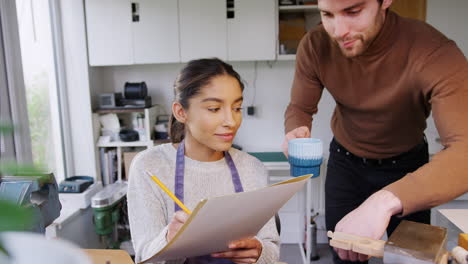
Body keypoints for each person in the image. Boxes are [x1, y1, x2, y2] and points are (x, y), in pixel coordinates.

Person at [282, 0, 468, 263]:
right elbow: (300, 107)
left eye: (353, 11)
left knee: (413, 257)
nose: (338, 30)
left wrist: (384, 201)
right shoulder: (315, 45)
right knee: (345, 256)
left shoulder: (434, 51)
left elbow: (465, 150)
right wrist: (295, 130)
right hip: (345, 165)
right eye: (327, 14)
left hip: (408, 167)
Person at [128, 58, 279, 264]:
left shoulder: (253, 168)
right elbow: (145, 258)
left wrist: (259, 252)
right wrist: (169, 240)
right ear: (181, 112)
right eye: (214, 109)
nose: (231, 121)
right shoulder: (149, 167)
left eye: (237, 108)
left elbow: (272, 249)